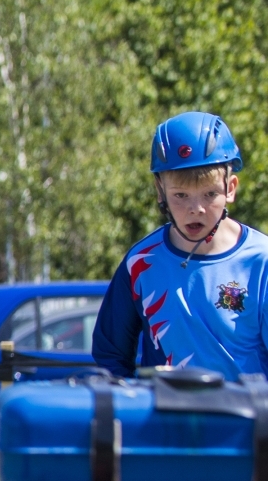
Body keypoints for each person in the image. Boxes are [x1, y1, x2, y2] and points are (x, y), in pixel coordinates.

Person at [92, 112, 268, 380]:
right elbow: (110, 356)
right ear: (160, 191)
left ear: (230, 188)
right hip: (166, 408)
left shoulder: (261, 260)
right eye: (181, 195)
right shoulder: (141, 262)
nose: (195, 208)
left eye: (210, 194)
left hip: (245, 407)